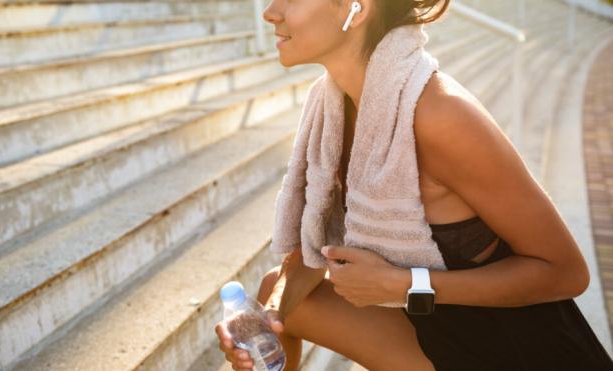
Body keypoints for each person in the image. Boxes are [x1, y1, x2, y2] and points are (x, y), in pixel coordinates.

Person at [215, 0, 613, 370]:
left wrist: (407, 284)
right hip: (436, 329)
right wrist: (268, 320)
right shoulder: (335, 103)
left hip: (515, 349)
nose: (270, 11)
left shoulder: (441, 115)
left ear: (358, 7)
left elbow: (565, 272)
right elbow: (314, 249)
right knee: (277, 292)